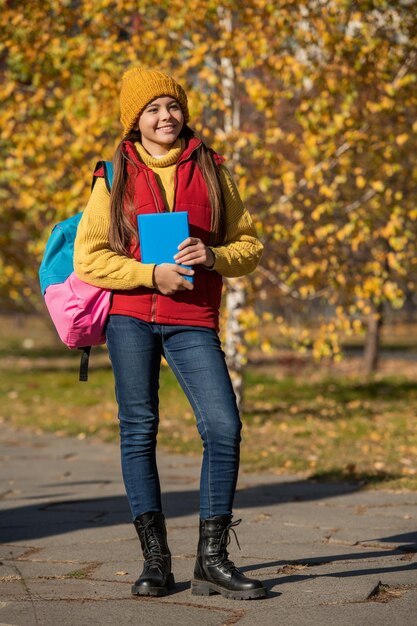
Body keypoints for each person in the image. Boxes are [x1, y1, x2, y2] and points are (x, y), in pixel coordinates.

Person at [74, 66, 266, 601]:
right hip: (130, 317)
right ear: (134, 120)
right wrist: (146, 274)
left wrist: (215, 255)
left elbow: (248, 246)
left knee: (223, 426)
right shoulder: (111, 176)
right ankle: (155, 561)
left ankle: (213, 559)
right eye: (152, 109)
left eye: (172, 106)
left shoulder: (213, 169)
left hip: (192, 319)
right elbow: (88, 259)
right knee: (139, 430)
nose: (165, 116)